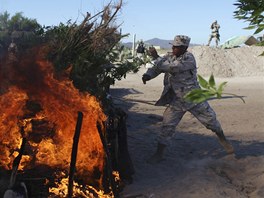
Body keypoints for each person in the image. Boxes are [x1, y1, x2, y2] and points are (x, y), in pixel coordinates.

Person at [142, 35, 234, 164]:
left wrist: (156, 57)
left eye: (177, 47)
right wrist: (148, 75)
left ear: (184, 48)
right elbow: (157, 68)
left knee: (211, 121)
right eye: (173, 46)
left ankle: (225, 142)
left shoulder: (189, 59)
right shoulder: (169, 56)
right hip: (176, 100)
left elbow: (172, 67)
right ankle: (159, 154)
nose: (173, 48)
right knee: (167, 126)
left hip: (194, 98)